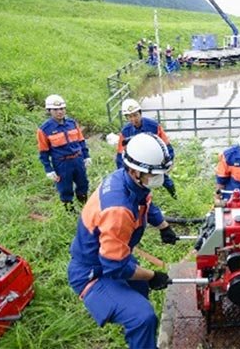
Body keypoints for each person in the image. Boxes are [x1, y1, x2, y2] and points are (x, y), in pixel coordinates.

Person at [68, 133, 178, 349]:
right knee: (143, 317)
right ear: (136, 171)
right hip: (93, 273)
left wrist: (164, 227)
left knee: (140, 290)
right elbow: (115, 266)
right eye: (154, 174)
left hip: (112, 258)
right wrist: (153, 275)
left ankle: (137, 337)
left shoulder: (128, 180)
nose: (159, 178)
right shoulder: (118, 209)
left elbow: (147, 204)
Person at [37, 94, 91, 211]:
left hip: (78, 160)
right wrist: (49, 169)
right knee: (65, 189)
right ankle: (70, 212)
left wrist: (86, 156)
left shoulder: (72, 123)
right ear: (49, 111)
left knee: (83, 184)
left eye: (61, 108)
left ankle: (84, 208)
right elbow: (43, 152)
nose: (59, 112)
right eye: (55, 109)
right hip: (62, 164)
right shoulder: (44, 129)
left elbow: (81, 141)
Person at [116, 98, 177, 199]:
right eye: (129, 117)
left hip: (154, 160)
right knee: (138, 186)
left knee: (165, 180)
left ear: (140, 113)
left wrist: (168, 162)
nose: (133, 119)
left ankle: (174, 196)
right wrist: (122, 172)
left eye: (135, 115)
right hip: (137, 165)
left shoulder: (153, 126)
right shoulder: (126, 132)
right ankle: (143, 202)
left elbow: (166, 145)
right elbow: (120, 154)